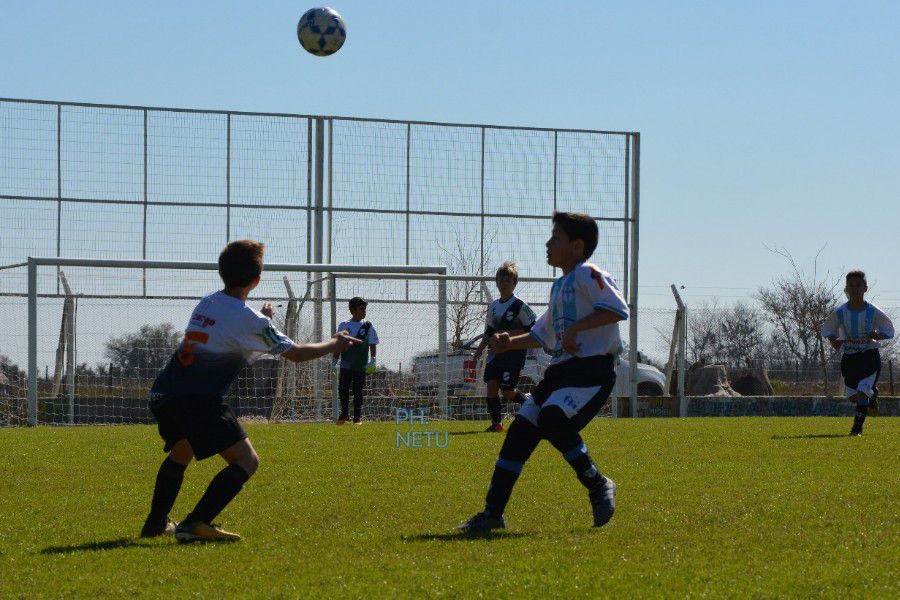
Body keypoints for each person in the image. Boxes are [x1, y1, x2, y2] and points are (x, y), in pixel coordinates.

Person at [141, 240, 359, 542]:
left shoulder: (208, 302)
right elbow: (295, 353)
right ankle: (196, 523)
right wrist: (336, 343)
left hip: (165, 393)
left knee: (182, 451)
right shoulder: (250, 319)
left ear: (221, 272)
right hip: (198, 399)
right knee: (247, 461)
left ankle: (155, 523)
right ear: (256, 281)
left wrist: (263, 320)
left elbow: (232, 331)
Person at [457, 212, 628, 532]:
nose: (548, 244)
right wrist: (508, 342)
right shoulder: (560, 286)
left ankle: (598, 483)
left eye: (555, 238)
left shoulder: (589, 274)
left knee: (552, 418)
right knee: (519, 432)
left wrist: (578, 327)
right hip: (560, 373)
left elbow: (618, 308)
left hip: (591, 371)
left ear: (577, 246)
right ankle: (492, 513)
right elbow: (542, 335)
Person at [822, 270, 894, 436]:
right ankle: (872, 395)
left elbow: (888, 330)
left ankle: (856, 429)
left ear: (865, 288)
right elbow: (828, 329)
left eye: (858, 285)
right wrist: (834, 341)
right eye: (851, 286)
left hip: (869, 357)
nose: (854, 289)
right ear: (846, 289)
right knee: (854, 398)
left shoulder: (873, 311)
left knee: (862, 393)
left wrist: (877, 335)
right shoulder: (840, 312)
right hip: (850, 359)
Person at [472, 261, 536, 432]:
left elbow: (533, 328)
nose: (504, 283)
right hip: (495, 355)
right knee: (491, 387)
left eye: (508, 280)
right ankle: (497, 424)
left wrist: (509, 337)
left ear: (514, 283)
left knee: (507, 392)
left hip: (514, 356)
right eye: (501, 280)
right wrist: (478, 352)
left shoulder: (520, 306)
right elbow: (489, 331)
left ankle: (530, 402)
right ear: (497, 283)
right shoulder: (493, 307)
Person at [332, 297, 379, 424]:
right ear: (352, 310)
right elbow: (339, 344)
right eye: (361, 308)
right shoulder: (344, 325)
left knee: (358, 391)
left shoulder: (368, 325)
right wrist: (334, 362)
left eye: (365, 308)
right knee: (343, 390)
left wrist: (373, 359)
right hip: (345, 364)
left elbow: (372, 343)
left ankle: (357, 418)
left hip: (361, 365)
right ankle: (345, 414)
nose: (364, 311)